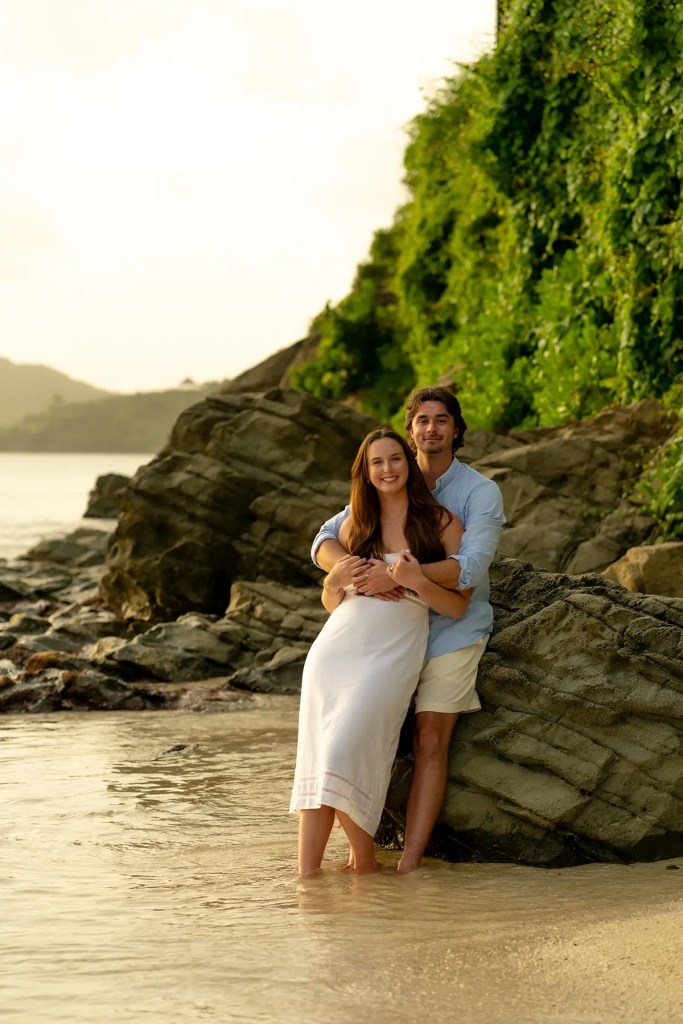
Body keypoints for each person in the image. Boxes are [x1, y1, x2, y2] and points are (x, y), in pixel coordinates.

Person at [311, 386, 505, 873]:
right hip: (387, 635)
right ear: (410, 428)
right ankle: (358, 861)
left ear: (456, 430)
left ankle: (410, 864)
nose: (432, 429)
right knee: (352, 737)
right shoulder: (393, 475)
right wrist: (355, 569)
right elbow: (325, 538)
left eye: (442, 420)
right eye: (422, 420)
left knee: (429, 741)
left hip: (451, 629)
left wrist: (397, 572)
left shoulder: (478, 493)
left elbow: (471, 566)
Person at [290, 427, 471, 877]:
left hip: (390, 656)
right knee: (319, 763)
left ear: (408, 464)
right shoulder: (356, 523)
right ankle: (306, 882)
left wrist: (415, 581)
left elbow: (457, 606)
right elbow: (334, 603)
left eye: (394, 459)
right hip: (334, 653)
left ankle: (364, 862)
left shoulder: (442, 523)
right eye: (377, 462)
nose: (387, 469)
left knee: (343, 751)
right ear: (365, 472)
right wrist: (332, 583)